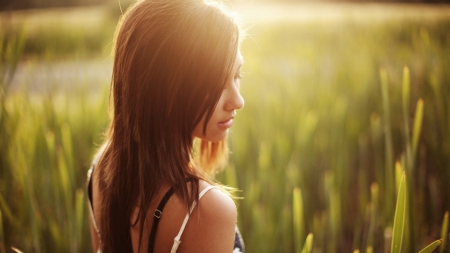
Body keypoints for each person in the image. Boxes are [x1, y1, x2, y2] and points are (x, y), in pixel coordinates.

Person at [86, 0, 245, 252]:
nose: (238, 101)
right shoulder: (207, 210)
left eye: (237, 76)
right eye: (214, 84)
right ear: (162, 88)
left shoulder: (102, 166)